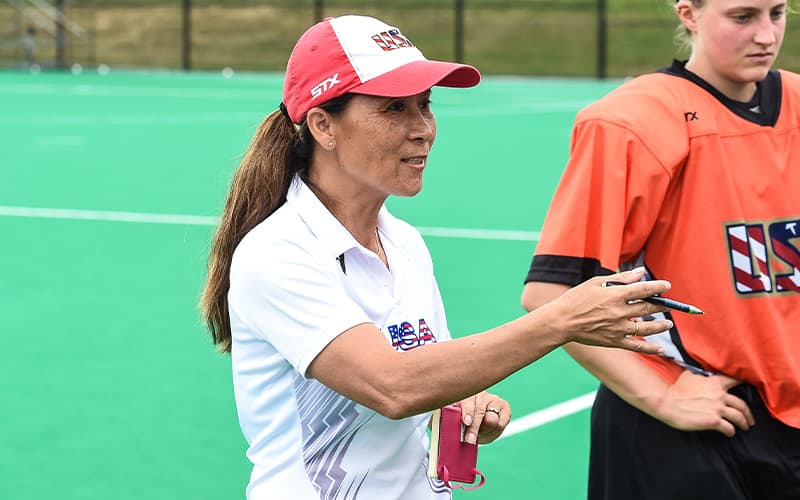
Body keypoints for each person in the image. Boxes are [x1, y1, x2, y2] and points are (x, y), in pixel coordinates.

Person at [200, 14, 673, 500]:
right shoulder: (278, 253)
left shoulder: (404, 243)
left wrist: (465, 402)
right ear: (323, 126)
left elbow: (425, 378)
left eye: (426, 106)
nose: (422, 128)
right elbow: (393, 387)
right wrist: (561, 320)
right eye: (394, 109)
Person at [521, 1, 800, 499]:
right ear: (688, 13)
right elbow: (552, 296)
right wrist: (663, 395)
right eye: (743, 17)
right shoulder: (631, 120)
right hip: (686, 423)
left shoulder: (798, 103)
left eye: (777, 13)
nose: (766, 35)